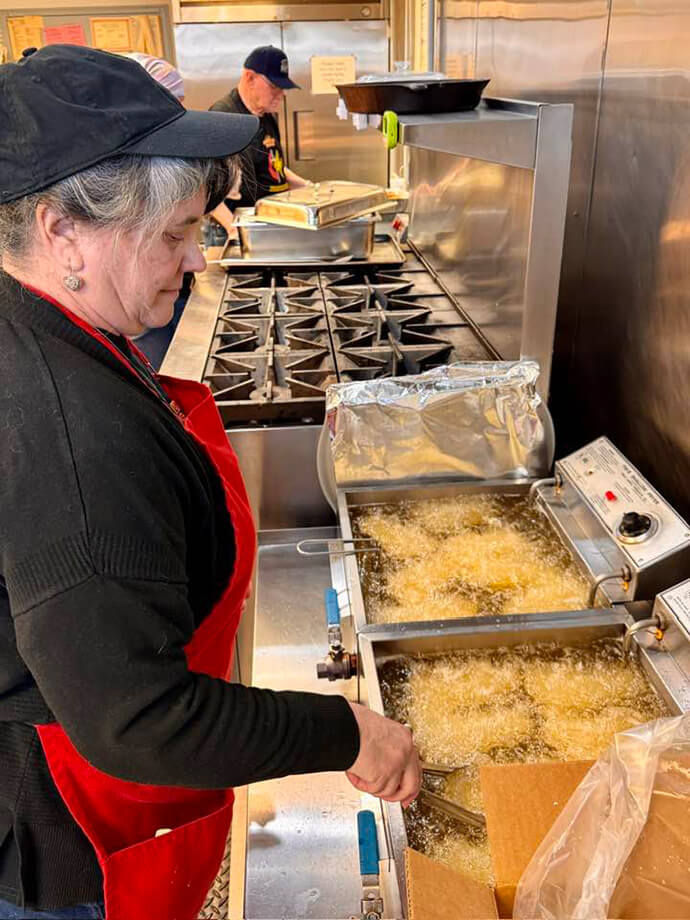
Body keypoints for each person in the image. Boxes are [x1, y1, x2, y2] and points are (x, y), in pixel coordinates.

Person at [0, 45, 420, 920]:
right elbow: (138, 719)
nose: (197, 262)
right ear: (62, 230)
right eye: (176, 235)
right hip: (68, 838)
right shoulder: (71, 438)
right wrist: (345, 732)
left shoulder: (41, 319)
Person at [209, 45, 310, 235]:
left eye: (284, 88)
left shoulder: (265, 114)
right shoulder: (224, 118)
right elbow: (206, 187)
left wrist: (309, 188)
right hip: (237, 228)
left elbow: (272, 166)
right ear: (250, 78)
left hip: (266, 222)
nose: (282, 94)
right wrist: (233, 230)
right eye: (274, 86)